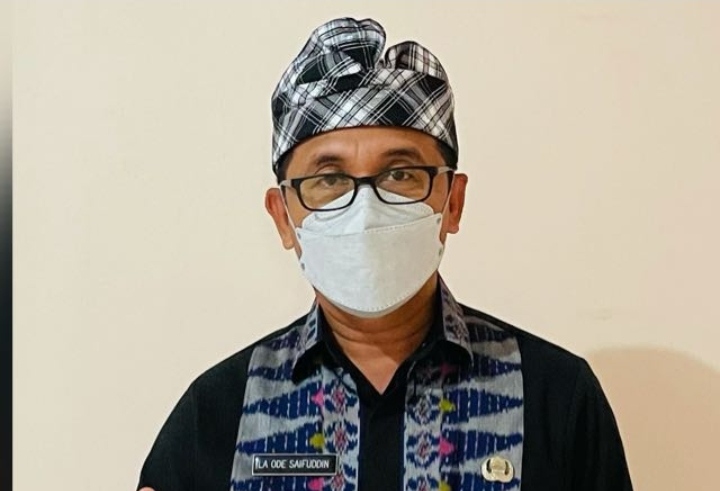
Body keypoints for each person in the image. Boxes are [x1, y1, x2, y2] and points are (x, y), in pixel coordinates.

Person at [137, 17, 633, 491]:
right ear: (283, 217)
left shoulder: (556, 398)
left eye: (400, 175)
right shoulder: (217, 413)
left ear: (452, 203)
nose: (366, 209)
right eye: (329, 179)